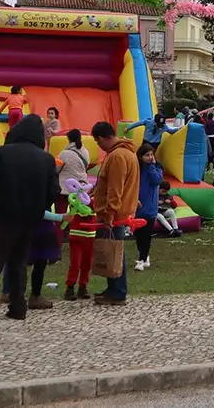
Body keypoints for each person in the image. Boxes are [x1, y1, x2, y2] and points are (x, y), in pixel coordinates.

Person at [0, 114, 61, 322]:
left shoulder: (4, 153)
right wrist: (38, 208)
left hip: (4, 216)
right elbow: (54, 191)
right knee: (19, 263)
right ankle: (18, 306)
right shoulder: (46, 159)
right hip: (29, 219)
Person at [90, 121, 140, 306]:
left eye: (97, 142)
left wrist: (109, 213)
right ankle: (113, 287)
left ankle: (118, 291)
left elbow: (115, 188)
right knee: (113, 250)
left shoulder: (117, 156)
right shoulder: (127, 152)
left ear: (102, 138)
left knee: (114, 252)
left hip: (114, 214)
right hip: (119, 210)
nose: (99, 146)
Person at [133, 143, 164, 271]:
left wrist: (152, 166)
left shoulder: (156, 168)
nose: (150, 157)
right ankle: (144, 256)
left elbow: (157, 180)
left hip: (150, 207)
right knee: (138, 235)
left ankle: (142, 259)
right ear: (140, 157)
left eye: (151, 154)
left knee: (146, 235)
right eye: (147, 155)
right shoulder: (136, 169)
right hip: (137, 206)